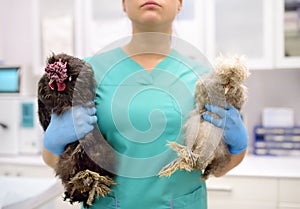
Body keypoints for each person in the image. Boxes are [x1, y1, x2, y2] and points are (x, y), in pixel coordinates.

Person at [42, 0, 248, 209]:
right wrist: (53, 142)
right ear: (123, 4)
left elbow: (218, 169)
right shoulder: (85, 75)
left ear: (179, 4)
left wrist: (238, 146)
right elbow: (56, 161)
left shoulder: (204, 79)